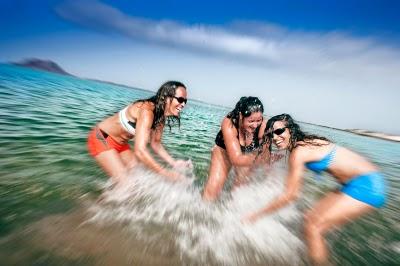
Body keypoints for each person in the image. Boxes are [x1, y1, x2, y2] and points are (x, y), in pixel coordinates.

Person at [242, 114, 386, 264]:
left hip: (367, 185)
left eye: (279, 132)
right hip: (359, 181)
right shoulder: (303, 144)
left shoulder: (299, 151)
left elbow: (291, 195)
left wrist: (257, 215)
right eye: (270, 135)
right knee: (309, 220)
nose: (275, 138)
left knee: (313, 228)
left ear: (291, 129)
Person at [87, 81, 191, 183]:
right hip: (101, 137)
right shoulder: (147, 111)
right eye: (180, 99)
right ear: (167, 97)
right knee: (127, 185)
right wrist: (165, 173)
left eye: (185, 101)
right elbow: (140, 151)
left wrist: (174, 163)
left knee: (138, 177)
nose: (183, 104)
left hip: (120, 144)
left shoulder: (160, 117)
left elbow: (156, 143)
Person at [203, 96, 270, 201]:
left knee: (239, 191)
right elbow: (236, 159)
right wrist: (261, 159)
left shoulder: (264, 126)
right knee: (212, 191)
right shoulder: (229, 123)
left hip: (249, 153)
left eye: (259, 120)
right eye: (251, 121)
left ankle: (230, 212)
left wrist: (267, 167)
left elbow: (265, 152)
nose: (255, 125)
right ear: (240, 116)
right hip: (223, 150)